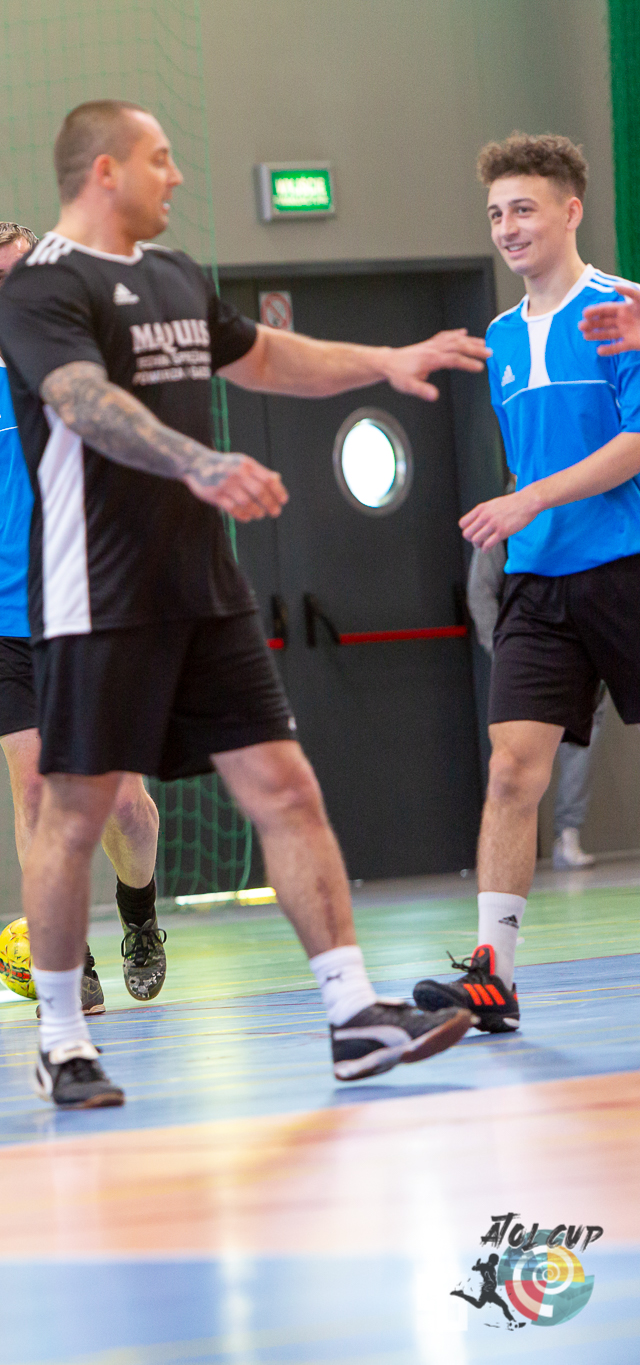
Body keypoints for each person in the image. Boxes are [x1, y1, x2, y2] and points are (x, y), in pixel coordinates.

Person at [0, 99, 486, 1107]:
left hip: (203, 588)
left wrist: (382, 362)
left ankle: (352, 1015)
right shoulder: (42, 285)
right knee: (75, 812)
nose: (175, 175)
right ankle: (63, 1040)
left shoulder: (176, 274)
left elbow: (263, 356)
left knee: (285, 788)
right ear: (103, 170)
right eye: (159, 158)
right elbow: (82, 400)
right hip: (97, 593)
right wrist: (200, 461)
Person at [415, 134, 640, 1032]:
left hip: (626, 566)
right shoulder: (503, 337)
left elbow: (635, 444)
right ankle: (494, 976)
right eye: (495, 214)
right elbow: (533, 459)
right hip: (538, 584)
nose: (507, 227)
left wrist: (532, 497)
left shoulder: (621, 309)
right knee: (511, 769)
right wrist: (523, 513)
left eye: (524, 209)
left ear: (571, 211)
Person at [0, 220, 164, 1013]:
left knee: (123, 807)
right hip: (4, 625)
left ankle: (139, 915)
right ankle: (69, 962)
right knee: (35, 797)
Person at [467, 539, 607, 870]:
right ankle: (508, 861)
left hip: (589, 639)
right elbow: (479, 591)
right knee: (511, 766)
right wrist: (503, 651)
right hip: (530, 648)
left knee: (583, 743)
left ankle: (568, 832)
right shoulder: (506, 528)